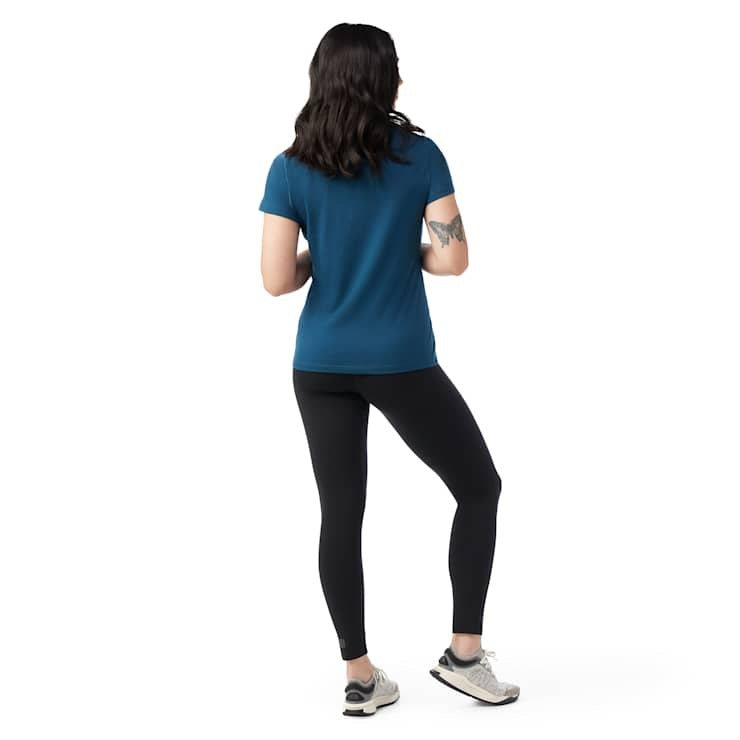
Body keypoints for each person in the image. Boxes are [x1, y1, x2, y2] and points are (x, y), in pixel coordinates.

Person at [258, 22, 519, 716]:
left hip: (319, 365)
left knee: (340, 513)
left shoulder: (290, 167)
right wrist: (406, 253)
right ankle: (465, 655)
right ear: (387, 81)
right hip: (398, 360)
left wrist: (326, 260)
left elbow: (276, 280)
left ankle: (360, 675)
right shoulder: (422, 157)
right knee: (479, 488)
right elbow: (453, 260)